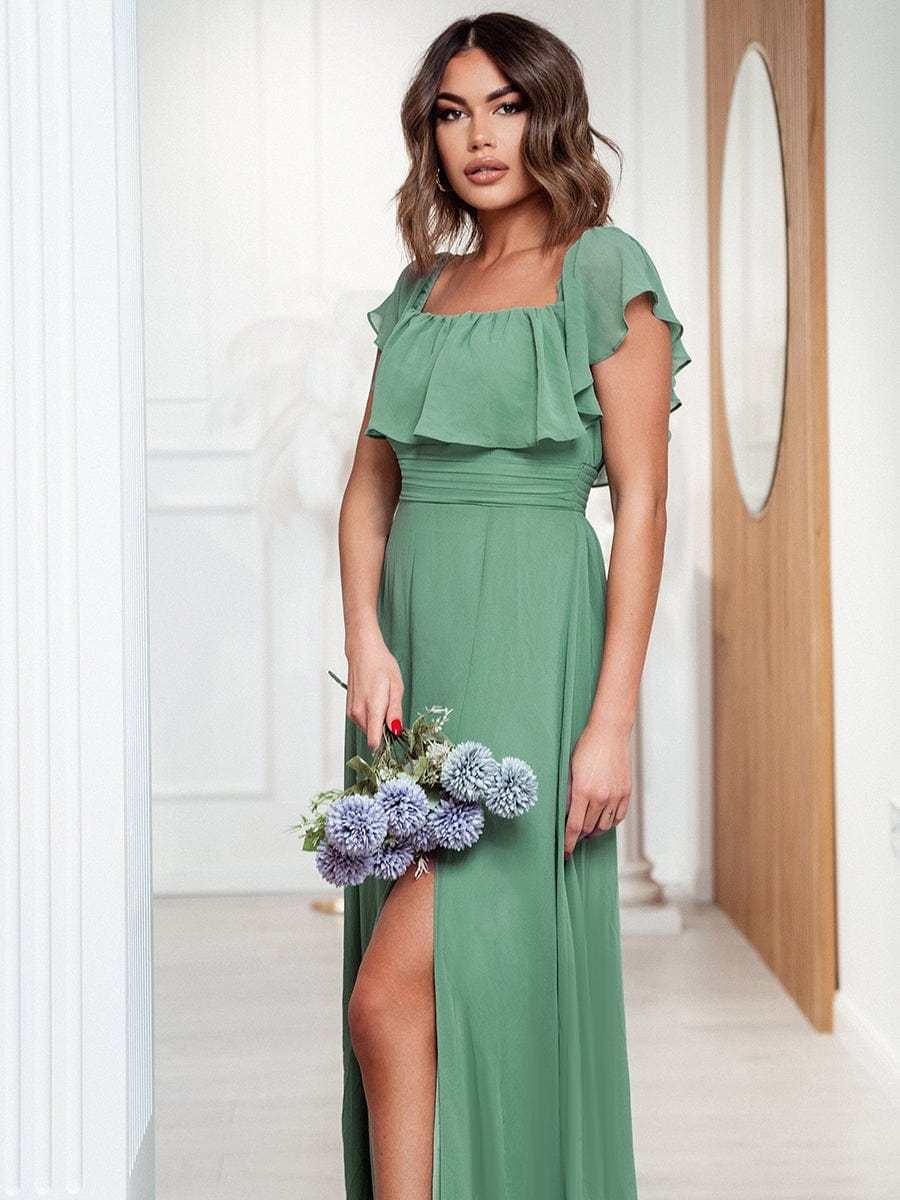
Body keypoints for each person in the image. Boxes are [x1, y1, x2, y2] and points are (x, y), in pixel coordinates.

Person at [337, 12, 690, 1199]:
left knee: (403, 992)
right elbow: (367, 494)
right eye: (453, 112)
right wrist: (366, 640)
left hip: (534, 655)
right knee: (419, 1008)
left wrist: (611, 720)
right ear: (429, 136)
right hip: (416, 664)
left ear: (551, 116)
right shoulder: (420, 289)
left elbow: (642, 503)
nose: (479, 136)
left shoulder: (604, 268)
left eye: (505, 105)